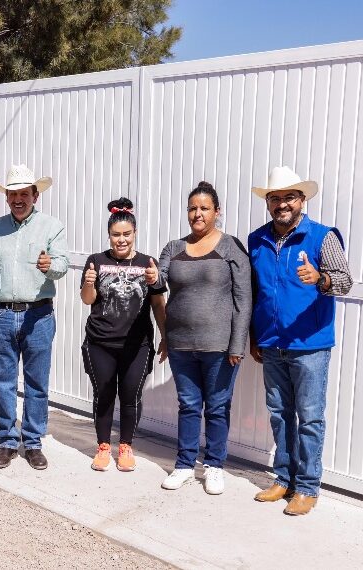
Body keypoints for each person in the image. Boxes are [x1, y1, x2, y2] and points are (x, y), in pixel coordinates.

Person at [247, 166, 353, 515]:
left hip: (310, 344)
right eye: (275, 198)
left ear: (301, 200)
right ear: (268, 203)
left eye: (288, 197)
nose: (281, 204)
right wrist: (254, 336)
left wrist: (320, 278)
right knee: (279, 414)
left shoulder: (323, 237)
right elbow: (255, 292)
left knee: (309, 418)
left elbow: (345, 282)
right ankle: (283, 479)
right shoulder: (257, 239)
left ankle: (307, 487)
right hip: (271, 343)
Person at [157, 182, 251, 495]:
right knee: (188, 405)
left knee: (217, 407)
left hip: (220, 346)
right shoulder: (173, 248)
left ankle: (214, 466)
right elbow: (158, 280)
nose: (197, 214)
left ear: (217, 212)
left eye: (204, 208)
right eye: (192, 208)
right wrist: (146, 274)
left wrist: (238, 343)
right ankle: (184, 465)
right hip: (181, 343)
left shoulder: (231, 247)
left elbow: (243, 298)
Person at [0, 164, 69, 470]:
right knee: (2, 382)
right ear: (6, 198)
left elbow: (62, 264)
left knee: (37, 382)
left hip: (38, 315)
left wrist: (49, 266)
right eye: (13, 194)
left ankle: (32, 442)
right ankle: (6, 441)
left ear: (34, 195)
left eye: (24, 194)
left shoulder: (51, 226)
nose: (18, 199)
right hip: (1, 315)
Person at [79, 198, 166, 472]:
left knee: (131, 397)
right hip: (100, 343)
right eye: (116, 235)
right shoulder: (96, 261)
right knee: (103, 395)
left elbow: (157, 304)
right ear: (109, 235)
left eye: (126, 234)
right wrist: (89, 284)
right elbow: (87, 299)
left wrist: (166, 336)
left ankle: (126, 446)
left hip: (137, 345)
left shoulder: (147, 264)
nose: (121, 240)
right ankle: (103, 445)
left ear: (134, 233)